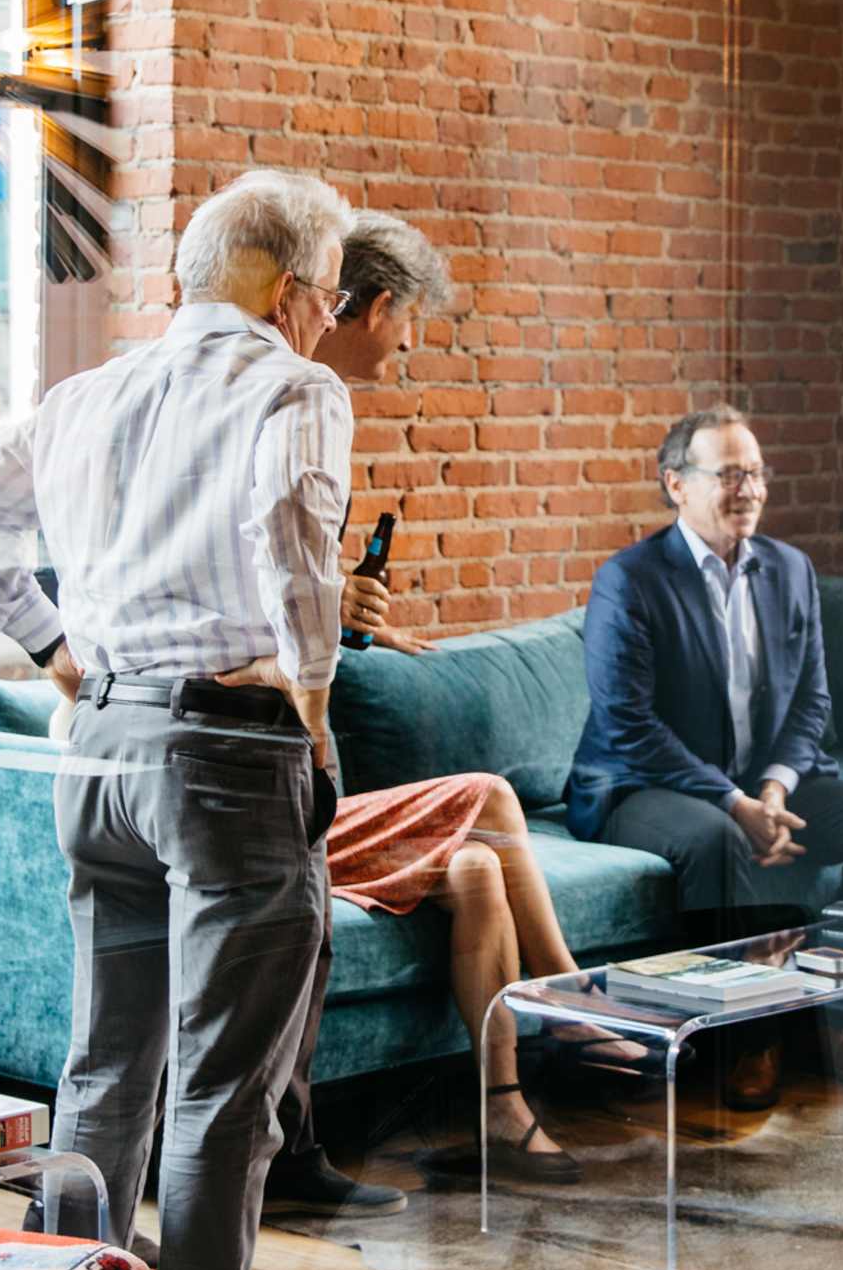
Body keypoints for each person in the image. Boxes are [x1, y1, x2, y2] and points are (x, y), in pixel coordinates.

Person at [0, 167, 363, 1270]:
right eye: (329, 298)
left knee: (107, 1063)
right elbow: (291, 535)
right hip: (227, 751)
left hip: (99, 750)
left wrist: (55, 646)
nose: (329, 323)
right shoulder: (294, 387)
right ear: (286, 292)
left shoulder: (87, 395)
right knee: (229, 1080)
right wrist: (317, 701)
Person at [260, 213, 650, 1199]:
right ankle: (570, 995)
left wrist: (351, 622)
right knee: (483, 797)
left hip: (299, 786)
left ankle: (504, 1119)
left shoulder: (306, 409)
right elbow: (240, 615)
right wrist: (321, 617)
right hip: (263, 796)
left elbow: (276, 599)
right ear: (376, 305)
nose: (407, 346)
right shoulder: (295, 403)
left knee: (479, 871)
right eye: (409, 324)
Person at [563, 402, 843, 1106]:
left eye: (756, 472)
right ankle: (748, 1041)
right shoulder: (632, 580)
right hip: (637, 784)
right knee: (717, 842)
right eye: (728, 474)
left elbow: (813, 702)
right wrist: (734, 804)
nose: (749, 489)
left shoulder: (790, 570)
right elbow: (629, 722)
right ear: (675, 484)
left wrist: (772, 789)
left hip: (753, 782)